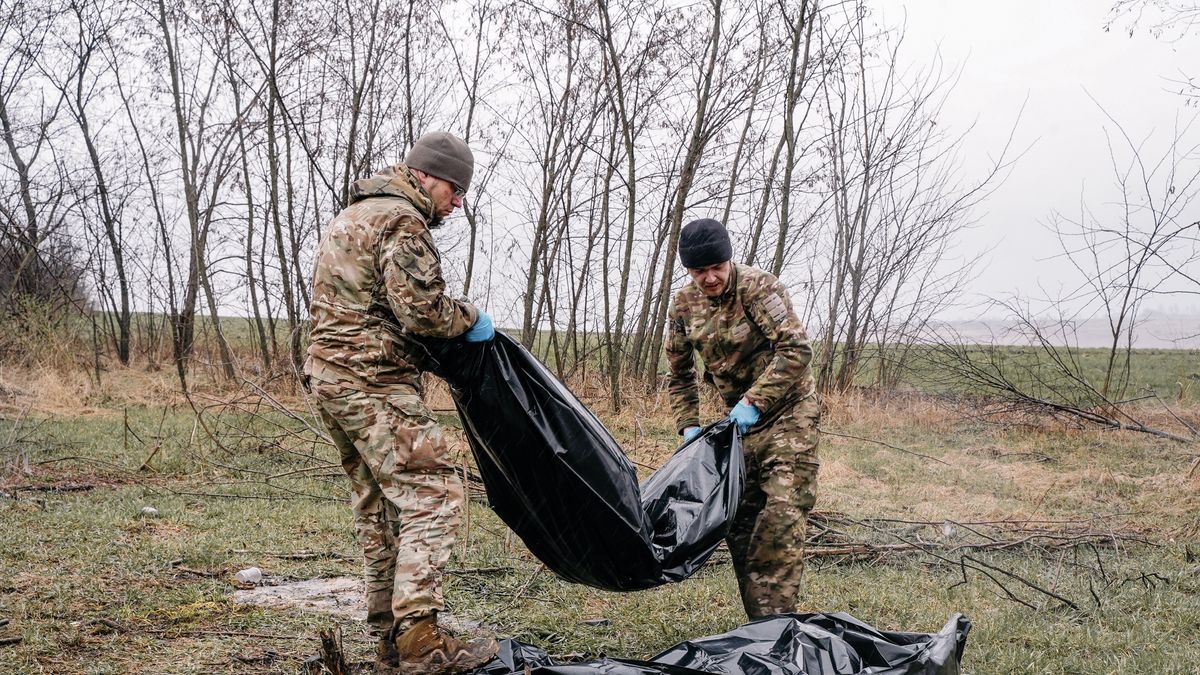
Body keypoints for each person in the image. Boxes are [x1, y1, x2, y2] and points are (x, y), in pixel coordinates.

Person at [305, 131, 498, 674]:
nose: (457, 203)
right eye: (454, 189)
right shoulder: (402, 221)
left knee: (381, 505)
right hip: (372, 378)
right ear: (427, 175)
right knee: (434, 491)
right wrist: (469, 317)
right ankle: (421, 642)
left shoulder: (355, 213)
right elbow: (423, 313)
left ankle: (389, 641)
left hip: (328, 376)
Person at [664, 217, 821, 620]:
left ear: (729, 260)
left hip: (788, 414)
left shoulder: (759, 288)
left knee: (781, 516)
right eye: (699, 271)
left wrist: (755, 400)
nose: (710, 278)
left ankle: (776, 627)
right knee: (741, 521)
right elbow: (679, 373)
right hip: (737, 425)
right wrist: (689, 426)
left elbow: (796, 350)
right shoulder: (684, 304)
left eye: (717, 267)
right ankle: (761, 625)